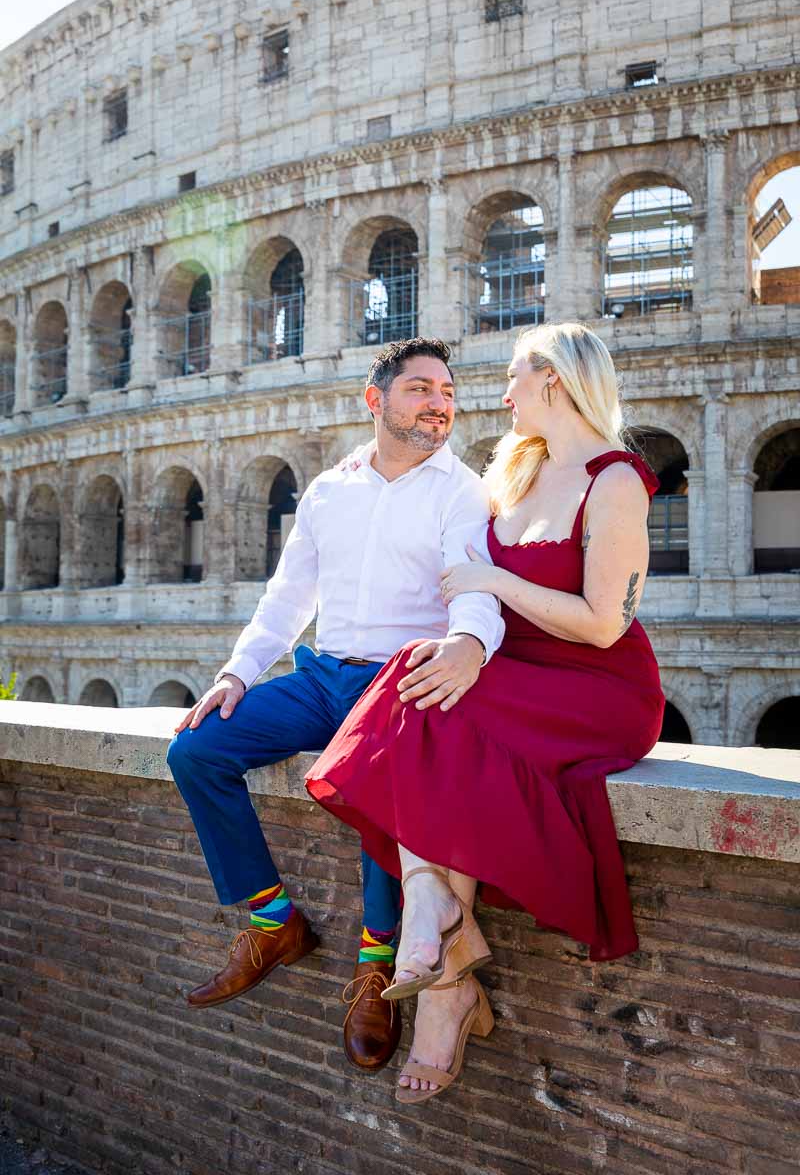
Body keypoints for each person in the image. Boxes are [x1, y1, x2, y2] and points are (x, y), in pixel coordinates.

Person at [306, 322, 666, 1102]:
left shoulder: (616, 480)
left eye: (512, 377)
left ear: (556, 380)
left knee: (432, 695)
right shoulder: (515, 471)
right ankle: (442, 935)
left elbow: (606, 622)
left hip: (598, 689)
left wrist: (495, 584)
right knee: (424, 677)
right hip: (519, 675)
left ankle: (441, 958)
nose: (499, 395)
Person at [166, 336, 504, 1074]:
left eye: (447, 392)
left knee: (378, 793)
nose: (439, 405)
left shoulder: (461, 490)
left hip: (400, 686)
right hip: (323, 678)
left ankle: (377, 968)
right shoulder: (328, 489)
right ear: (374, 399)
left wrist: (472, 645)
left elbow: (474, 583)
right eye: (421, 389)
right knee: (196, 749)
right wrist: (237, 674)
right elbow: (288, 599)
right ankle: (272, 920)